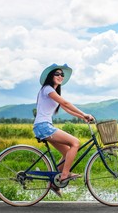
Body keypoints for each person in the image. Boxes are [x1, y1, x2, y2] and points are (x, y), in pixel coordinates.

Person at [33, 64, 93, 197]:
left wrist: (83, 117)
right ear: (51, 76)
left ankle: (55, 183)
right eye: (57, 74)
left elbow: (67, 109)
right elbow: (66, 103)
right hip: (43, 126)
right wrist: (84, 113)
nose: (60, 76)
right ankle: (65, 175)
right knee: (75, 143)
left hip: (44, 126)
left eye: (62, 75)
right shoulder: (47, 89)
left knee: (67, 152)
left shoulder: (52, 91)